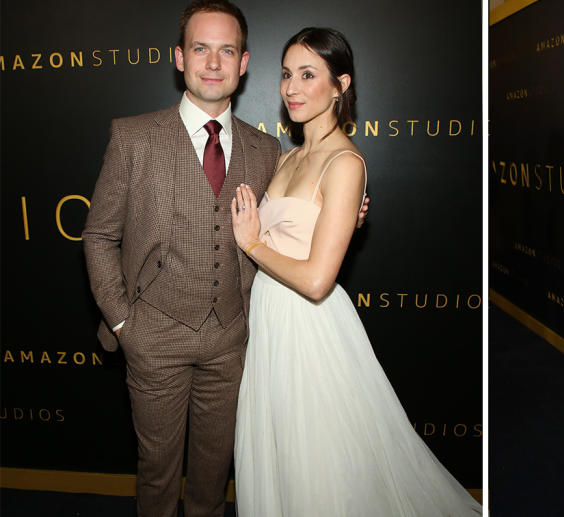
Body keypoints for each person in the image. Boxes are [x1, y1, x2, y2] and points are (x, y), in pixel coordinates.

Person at [229, 27, 481, 516]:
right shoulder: (287, 156)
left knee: (319, 467)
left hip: (309, 329)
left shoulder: (345, 163)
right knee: (283, 459)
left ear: (340, 85)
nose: (291, 88)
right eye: (285, 75)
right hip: (271, 323)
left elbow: (318, 280)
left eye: (308, 75)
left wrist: (252, 242)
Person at [82, 2, 279, 516]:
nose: (213, 62)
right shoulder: (133, 137)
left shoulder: (266, 149)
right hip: (153, 339)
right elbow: (99, 235)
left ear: (243, 62)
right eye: (200, 48)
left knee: (213, 483)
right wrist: (126, 324)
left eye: (226, 50)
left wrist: (344, 214)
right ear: (178, 58)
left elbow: (283, 230)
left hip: (230, 341)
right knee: (157, 479)